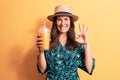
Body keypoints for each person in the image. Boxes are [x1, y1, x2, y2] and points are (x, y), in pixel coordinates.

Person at [36, 5, 95, 80]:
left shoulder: (77, 42)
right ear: (55, 22)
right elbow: (42, 69)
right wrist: (41, 52)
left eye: (66, 19)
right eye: (59, 19)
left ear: (71, 22)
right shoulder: (47, 41)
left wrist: (86, 44)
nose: (63, 23)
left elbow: (89, 68)